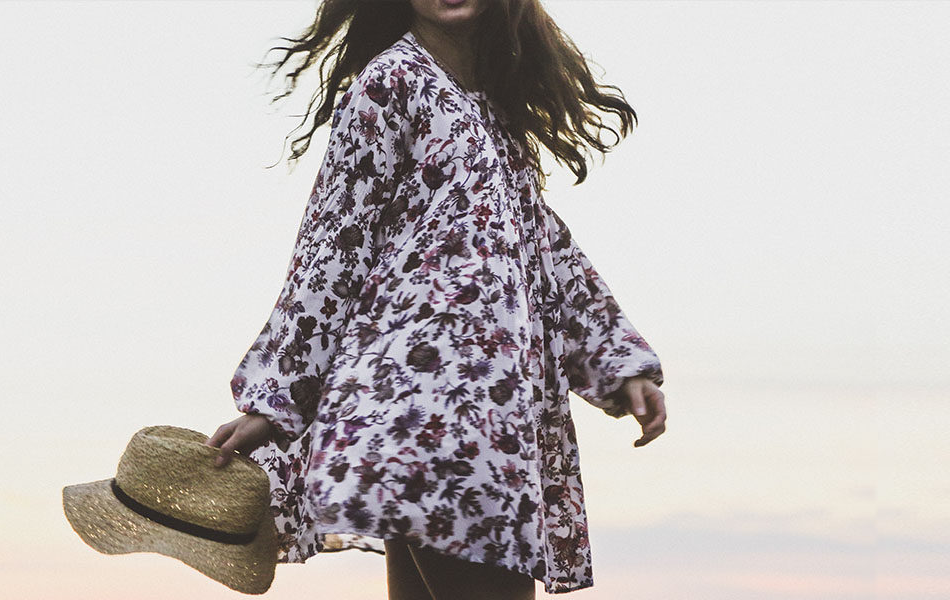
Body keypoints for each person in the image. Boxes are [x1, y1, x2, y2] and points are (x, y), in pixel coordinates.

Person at [206, 1, 667, 598]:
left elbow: (544, 249)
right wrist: (276, 397)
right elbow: (333, 243)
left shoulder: (491, 107)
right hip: (421, 409)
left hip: (488, 412)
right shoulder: (389, 81)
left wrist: (619, 364)